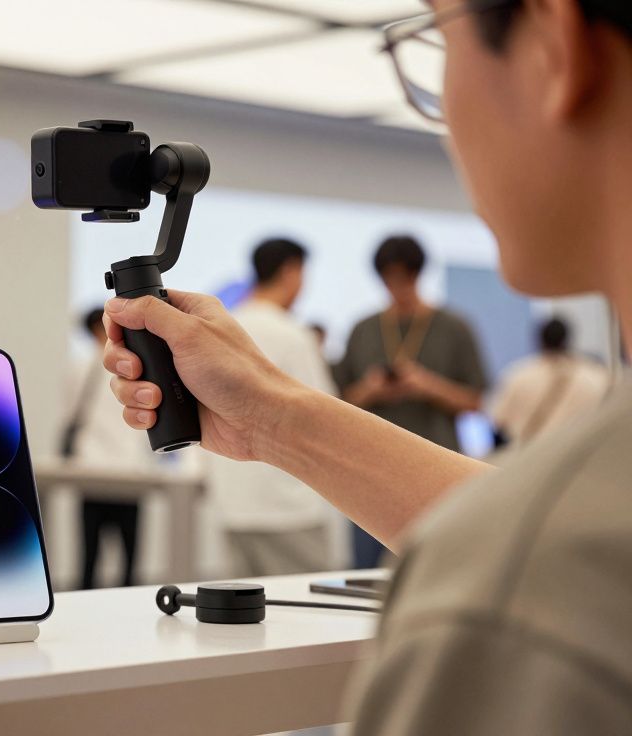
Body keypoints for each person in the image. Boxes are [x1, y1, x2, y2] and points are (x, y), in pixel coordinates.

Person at [101, 0, 632, 729]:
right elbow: (500, 523)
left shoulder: (525, 598)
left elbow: (523, 540)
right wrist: (274, 419)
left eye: (438, 45)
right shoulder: (548, 545)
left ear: (553, 44)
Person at [334, 235, 487, 568]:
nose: (397, 286)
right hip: (367, 468)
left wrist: (429, 386)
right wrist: (371, 390)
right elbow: (340, 400)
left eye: (405, 277)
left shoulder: (454, 327)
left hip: (437, 466)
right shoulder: (364, 329)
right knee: (363, 575)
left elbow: (476, 401)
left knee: (439, 567)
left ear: (419, 274)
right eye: (389, 278)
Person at [206, 239, 337, 577]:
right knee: (306, 618)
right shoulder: (292, 334)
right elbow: (324, 414)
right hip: (288, 506)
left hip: (234, 503)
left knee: (246, 619)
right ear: (290, 271)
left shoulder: (223, 329)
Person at [61, 308, 151, 589]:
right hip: (115, 470)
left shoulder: (81, 367)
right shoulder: (91, 366)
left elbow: (68, 413)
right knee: (123, 553)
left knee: (94, 552)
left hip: (102, 469)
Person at [491, 317, 609, 446]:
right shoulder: (596, 376)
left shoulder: (518, 376)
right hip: (580, 453)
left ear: (540, 340)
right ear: (567, 339)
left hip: (531, 456)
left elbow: (498, 422)